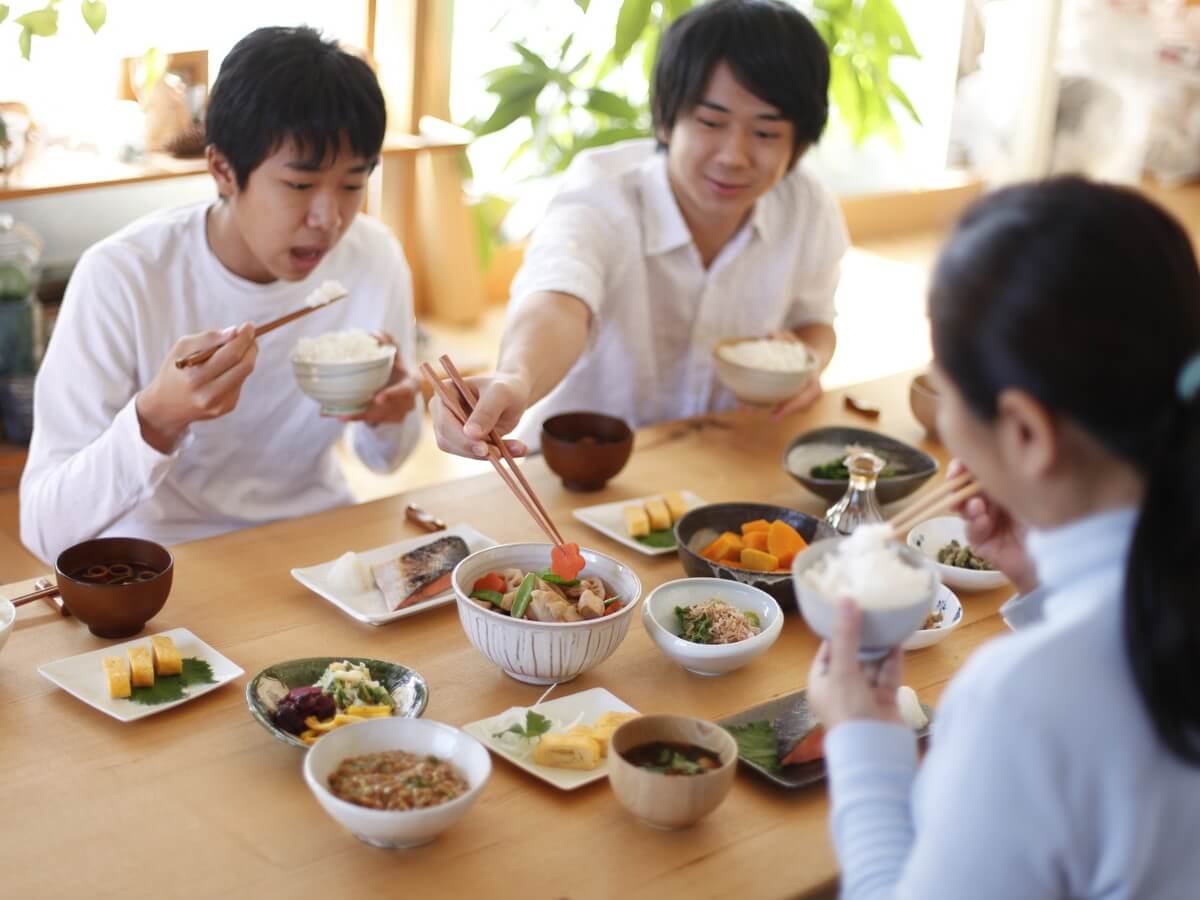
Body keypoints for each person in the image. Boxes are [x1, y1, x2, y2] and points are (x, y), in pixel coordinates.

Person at [807, 177, 1200, 898]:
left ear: (1025, 432)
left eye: (943, 390)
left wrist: (864, 742)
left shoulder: (1023, 702)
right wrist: (1043, 586)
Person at [19, 26, 422, 564]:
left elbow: (385, 462)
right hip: (168, 562)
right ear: (223, 170)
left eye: (353, 185)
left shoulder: (374, 257)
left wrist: (389, 415)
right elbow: (44, 528)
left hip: (320, 547)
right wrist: (156, 420)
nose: (329, 220)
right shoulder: (122, 276)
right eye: (300, 185)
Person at [433, 0, 848, 459]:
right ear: (666, 117)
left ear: (800, 141)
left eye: (766, 133)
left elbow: (815, 322)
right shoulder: (599, 193)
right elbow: (559, 300)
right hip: (583, 472)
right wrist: (516, 376)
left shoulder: (808, 206)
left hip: (729, 453)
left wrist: (807, 365)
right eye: (711, 122)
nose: (734, 155)